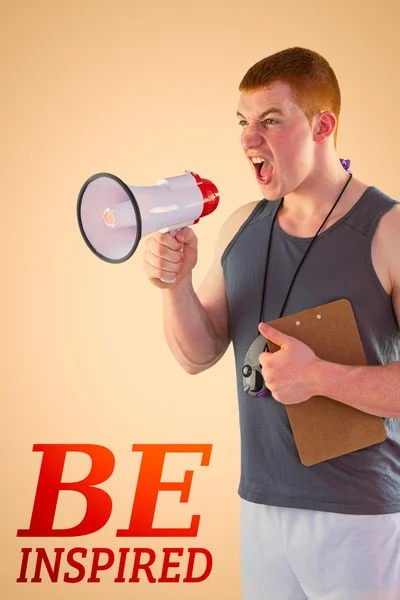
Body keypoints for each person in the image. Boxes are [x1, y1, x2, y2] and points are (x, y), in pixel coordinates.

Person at [143, 47, 400, 599]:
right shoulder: (241, 226)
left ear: (322, 126)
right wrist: (176, 283)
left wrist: (321, 378)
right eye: (242, 122)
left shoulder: (389, 231)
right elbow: (197, 354)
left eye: (270, 121)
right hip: (260, 507)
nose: (247, 140)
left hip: (359, 515)